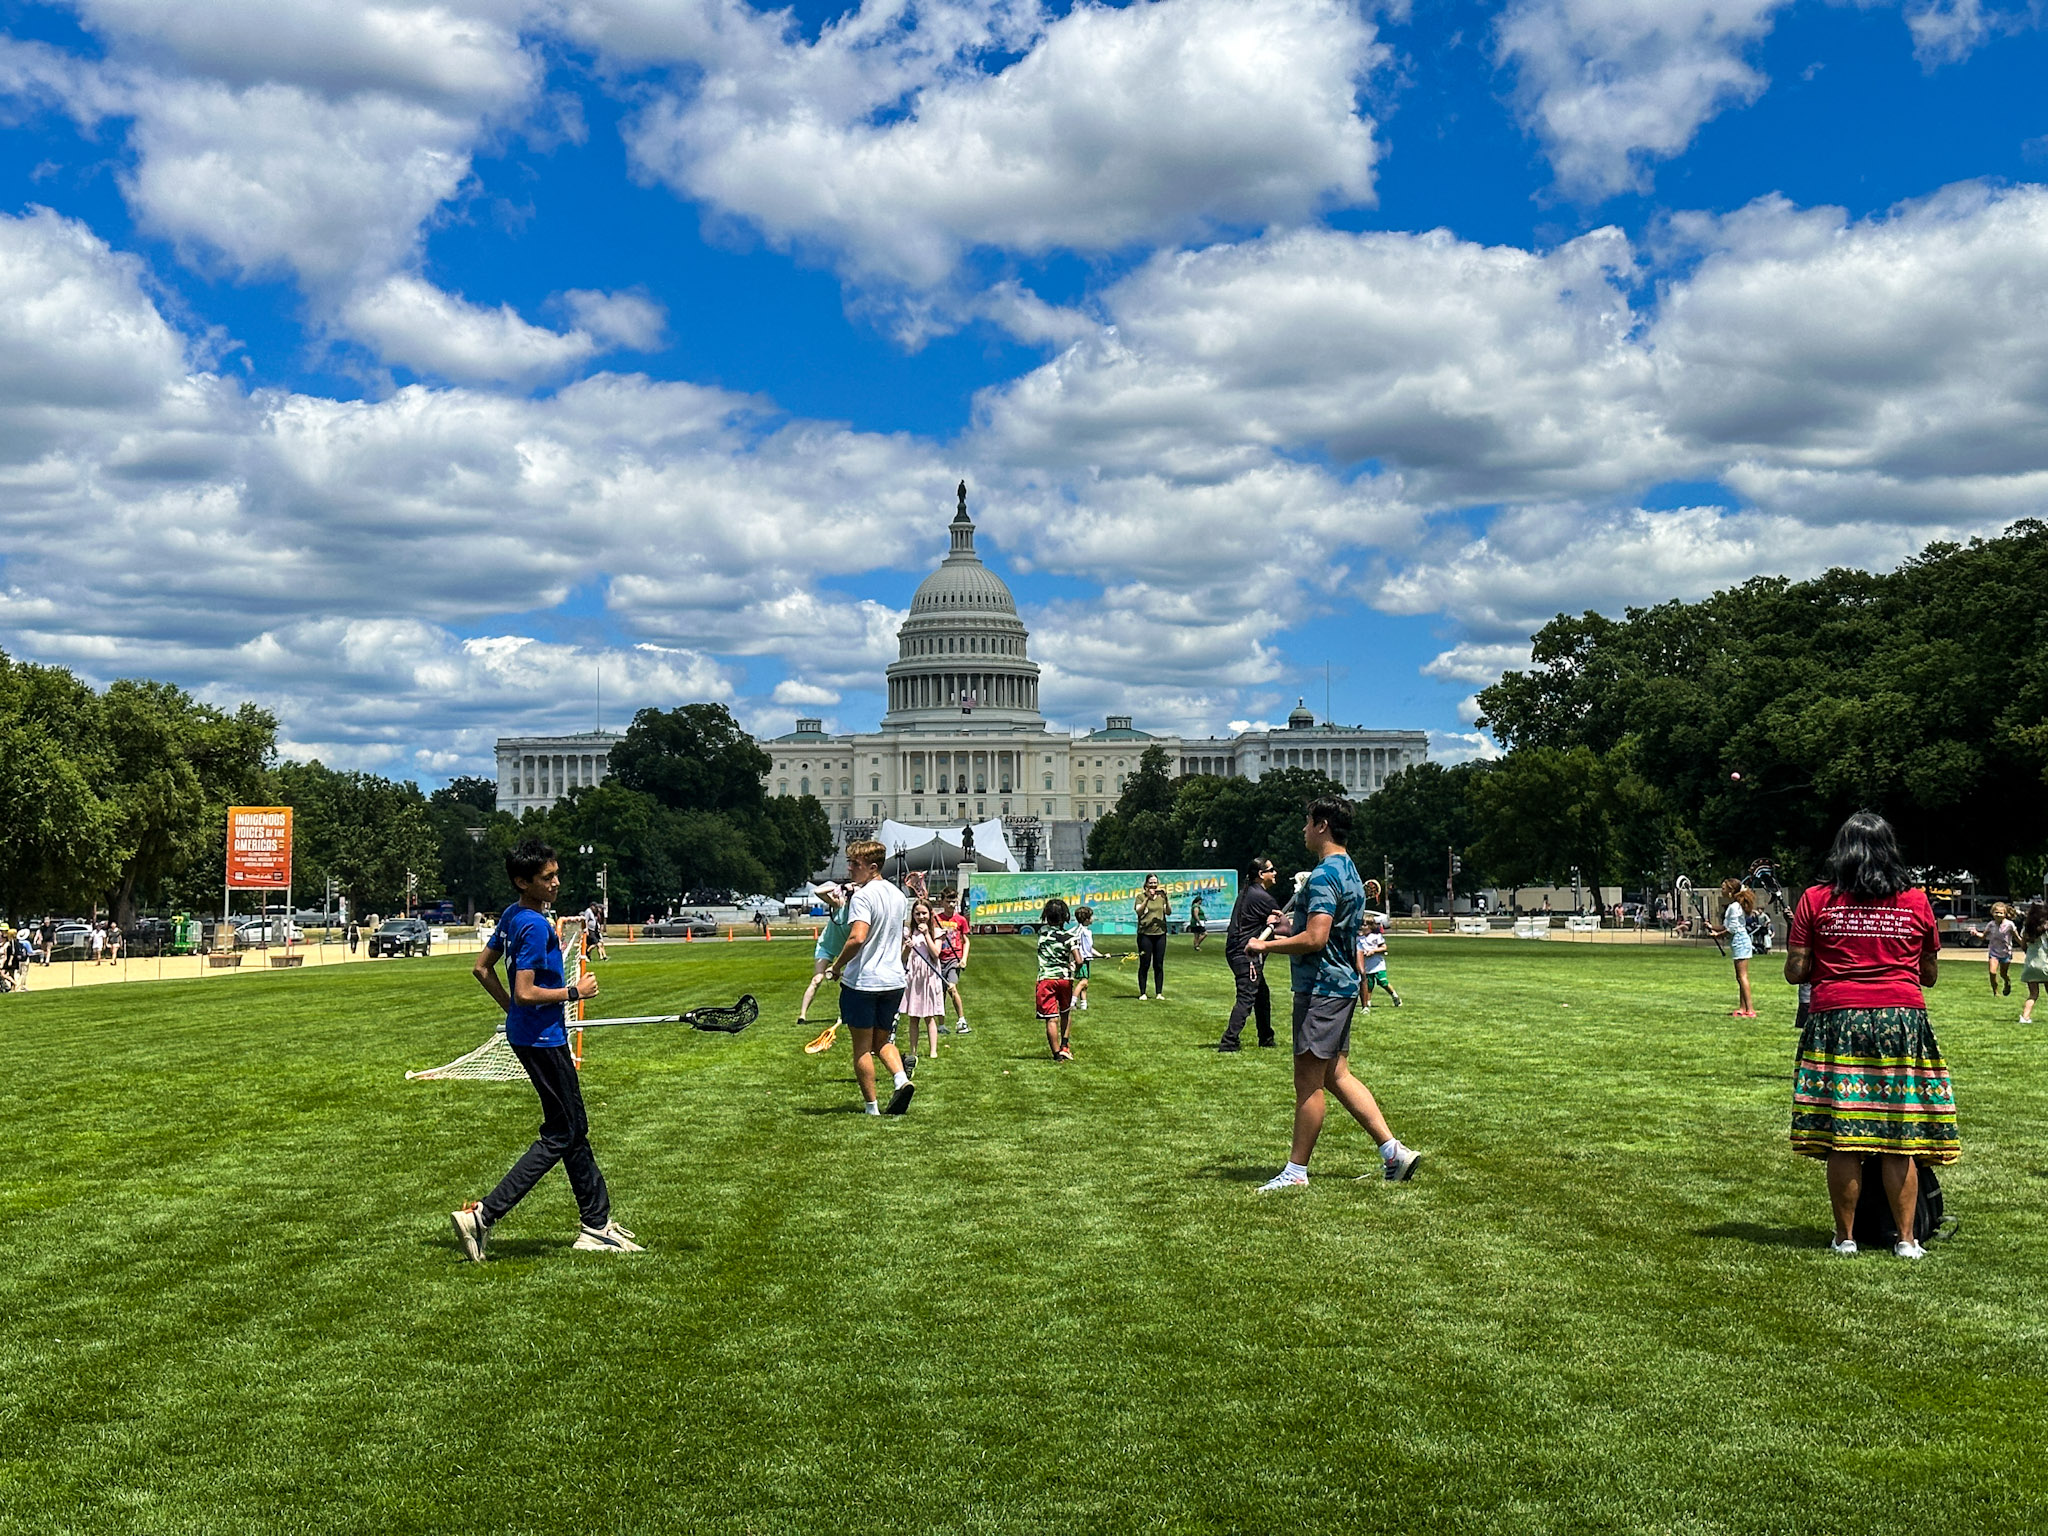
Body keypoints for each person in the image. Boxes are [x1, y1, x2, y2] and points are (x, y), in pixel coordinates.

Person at [449, 838, 642, 1262]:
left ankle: (596, 1223)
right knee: (563, 1131)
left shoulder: (515, 916)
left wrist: (513, 1011)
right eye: (546, 877)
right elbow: (526, 990)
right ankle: (484, 1214)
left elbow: (482, 969)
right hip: (544, 1040)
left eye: (556, 874)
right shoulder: (534, 925)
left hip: (528, 1035)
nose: (556, 883)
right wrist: (574, 991)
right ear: (523, 881)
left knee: (573, 1128)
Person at [1785, 811, 1953, 1259]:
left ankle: (1845, 1238)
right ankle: (1906, 1240)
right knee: (1900, 1133)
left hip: (1837, 1019)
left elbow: (1795, 970)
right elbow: (1930, 974)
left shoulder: (1815, 899)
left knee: (1845, 1133)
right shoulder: (1916, 902)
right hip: (1900, 1019)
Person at [1248, 797, 1421, 1190]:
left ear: (1322, 825)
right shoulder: (1349, 870)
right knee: (1337, 1074)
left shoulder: (1324, 876)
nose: (1304, 830)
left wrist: (1266, 946)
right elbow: (1327, 929)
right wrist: (1288, 924)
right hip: (1340, 986)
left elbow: (1316, 938)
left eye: (1308, 823)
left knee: (1307, 1082)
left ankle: (1295, 1172)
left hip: (1320, 989)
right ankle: (1394, 1152)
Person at [827, 839, 916, 1116]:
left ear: (873, 867)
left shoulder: (863, 896)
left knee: (862, 1048)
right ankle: (901, 1080)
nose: (850, 868)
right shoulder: (898, 896)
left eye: (856, 864)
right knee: (884, 1041)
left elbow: (857, 937)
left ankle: (871, 1108)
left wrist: (836, 965)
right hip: (894, 981)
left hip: (864, 981)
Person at [1219, 859, 1288, 1051]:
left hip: (1236, 951)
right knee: (1247, 997)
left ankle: (1266, 1037)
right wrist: (1277, 921)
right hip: (1246, 954)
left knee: (1261, 994)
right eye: (1271, 870)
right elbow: (1287, 929)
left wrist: (1271, 924)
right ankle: (1229, 1041)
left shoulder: (1248, 893)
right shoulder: (1262, 897)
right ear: (1260, 874)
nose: (1275, 873)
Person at [800, 882, 850, 1046]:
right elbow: (818, 891)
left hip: (846, 950)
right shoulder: (839, 904)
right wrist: (841, 887)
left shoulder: (861, 909)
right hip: (826, 946)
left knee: (850, 981)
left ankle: (847, 1015)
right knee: (817, 979)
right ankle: (802, 1015)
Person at [1035, 897, 1082, 1061]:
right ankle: (1064, 1045)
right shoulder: (1070, 937)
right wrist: (1073, 964)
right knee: (1065, 1012)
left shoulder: (1041, 933)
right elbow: (1079, 960)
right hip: (1064, 979)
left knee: (1051, 1018)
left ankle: (1057, 1055)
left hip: (1045, 979)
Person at [902, 899, 947, 1060]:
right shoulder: (909, 934)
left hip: (929, 976)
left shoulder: (937, 933)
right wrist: (907, 947)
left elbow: (935, 954)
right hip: (914, 976)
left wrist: (926, 934)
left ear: (930, 914)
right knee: (913, 1016)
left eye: (924, 913)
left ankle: (933, 1050)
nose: (921, 917)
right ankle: (913, 1051)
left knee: (929, 1016)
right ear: (912, 915)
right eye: (917, 914)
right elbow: (903, 958)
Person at [1712, 878, 1758, 1017]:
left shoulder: (1734, 907)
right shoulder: (1734, 906)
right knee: (1740, 977)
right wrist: (1712, 928)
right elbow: (1727, 926)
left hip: (1740, 942)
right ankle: (1742, 1008)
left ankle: (1750, 1009)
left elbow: (1731, 929)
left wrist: (1718, 935)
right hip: (1739, 941)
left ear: (1731, 891)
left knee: (1742, 976)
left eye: (1724, 888)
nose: (1722, 890)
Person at [936, 892, 972, 1035]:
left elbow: (966, 940)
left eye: (953, 901)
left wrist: (964, 959)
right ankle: (941, 1025)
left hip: (953, 959)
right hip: (939, 959)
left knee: (952, 988)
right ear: (942, 902)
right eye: (948, 901)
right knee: (940, 992)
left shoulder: (961, 920)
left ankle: (961, 1020)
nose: (951, 904)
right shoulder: (936, 919)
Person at [1133, 874, 1171, 1000]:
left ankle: (1159, 993)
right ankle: (1143, 992)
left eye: (1155, 883)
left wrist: (1166, 899)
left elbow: (1168, 912)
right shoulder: (1140, 897)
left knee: (1158, 964)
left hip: (1160, 934)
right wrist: (1147, 899)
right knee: (1145, 963)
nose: (1153, 885)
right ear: (1146, 884)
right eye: (1151, 883)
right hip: (1145, 934)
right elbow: (1139, 911)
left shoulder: (1161, 898)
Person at [1357, 915, 1401, 1008]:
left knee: (1382, 982)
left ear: (1370, 926)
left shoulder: (1376, 936)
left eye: (1365, 925)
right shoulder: (1359, 938)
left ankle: (1394, 996)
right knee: (1369, 984)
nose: (1362, 927)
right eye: (1362, 925)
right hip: (1367, 964)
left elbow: (1384, 947)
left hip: (1377, 964)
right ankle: (1367, 1002)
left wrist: (1373, 951)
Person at [2019, 903, 2048, 1024]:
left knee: (2033, 994)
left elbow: (2023, 945)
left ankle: (2025, 1017)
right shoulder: (2046, 931)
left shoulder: (2027, 930)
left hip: (2030, 966)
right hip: (2045, 965)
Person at [1985, 901, 2017, 998]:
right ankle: (1995, 992)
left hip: (2006, 953)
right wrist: (1975, 933)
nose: (1998, 915)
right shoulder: (1990, 925)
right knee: (1992, 972)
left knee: (2003, 973)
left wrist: (2025, 946)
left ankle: (2007, 982)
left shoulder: (2010, 924)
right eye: (1996, 912)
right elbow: (1983, 936)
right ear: (1992, 913)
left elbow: (2017, 937)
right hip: (1993, 953)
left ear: (2005, 914)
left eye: (2001, 913)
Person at [1072, 905, 1097, 1011]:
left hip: (1086, 960)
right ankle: (1072, 1002)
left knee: (1085, 984)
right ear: (1087, 919)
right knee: (1083, 982)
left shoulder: (1087, 931)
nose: (1093, 919)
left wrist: (1102, 955)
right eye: (1091, 917)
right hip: (1082, 960)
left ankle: (1083, 1004)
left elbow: (1090, 948)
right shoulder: (1081, 931)